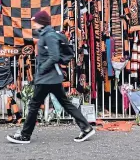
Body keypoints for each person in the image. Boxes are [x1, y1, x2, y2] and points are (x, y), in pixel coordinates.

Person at [7, 10, 95, 144]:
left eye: (35, 21)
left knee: (34, 105)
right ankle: (86, 128)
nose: (34, 24)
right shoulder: (46, 35)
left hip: (47, 78)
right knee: (64, 104)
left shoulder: (49, 36)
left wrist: (41, 69)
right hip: (51, 78)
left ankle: (25, 135)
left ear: (41, 22)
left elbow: (54, 56)